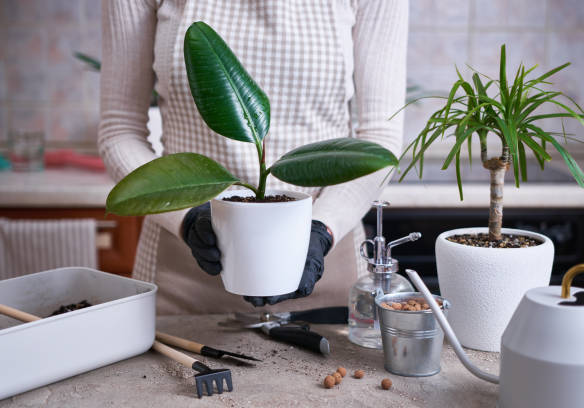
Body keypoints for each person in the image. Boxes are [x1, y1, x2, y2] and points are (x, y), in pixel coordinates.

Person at [98, 0, 409, 314]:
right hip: (185, 279)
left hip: (323, 270)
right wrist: (186, 218)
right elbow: (119, 130)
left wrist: (321, 230)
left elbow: (378, 141)